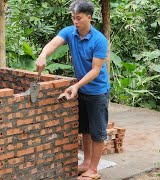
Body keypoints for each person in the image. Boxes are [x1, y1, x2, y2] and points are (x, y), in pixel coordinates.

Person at [35, 0, 109, 179]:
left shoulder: (99, 40)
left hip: (97, 91)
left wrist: (75, 85)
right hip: (81, 90)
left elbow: (95, 70)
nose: (75, 22)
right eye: (73, 18)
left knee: (97, 132)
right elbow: (53, 44)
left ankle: (94, 170)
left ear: (89, 18)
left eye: (79, 18)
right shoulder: (70, 32)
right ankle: (86, 163)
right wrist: (43, 55)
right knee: (85, 129)